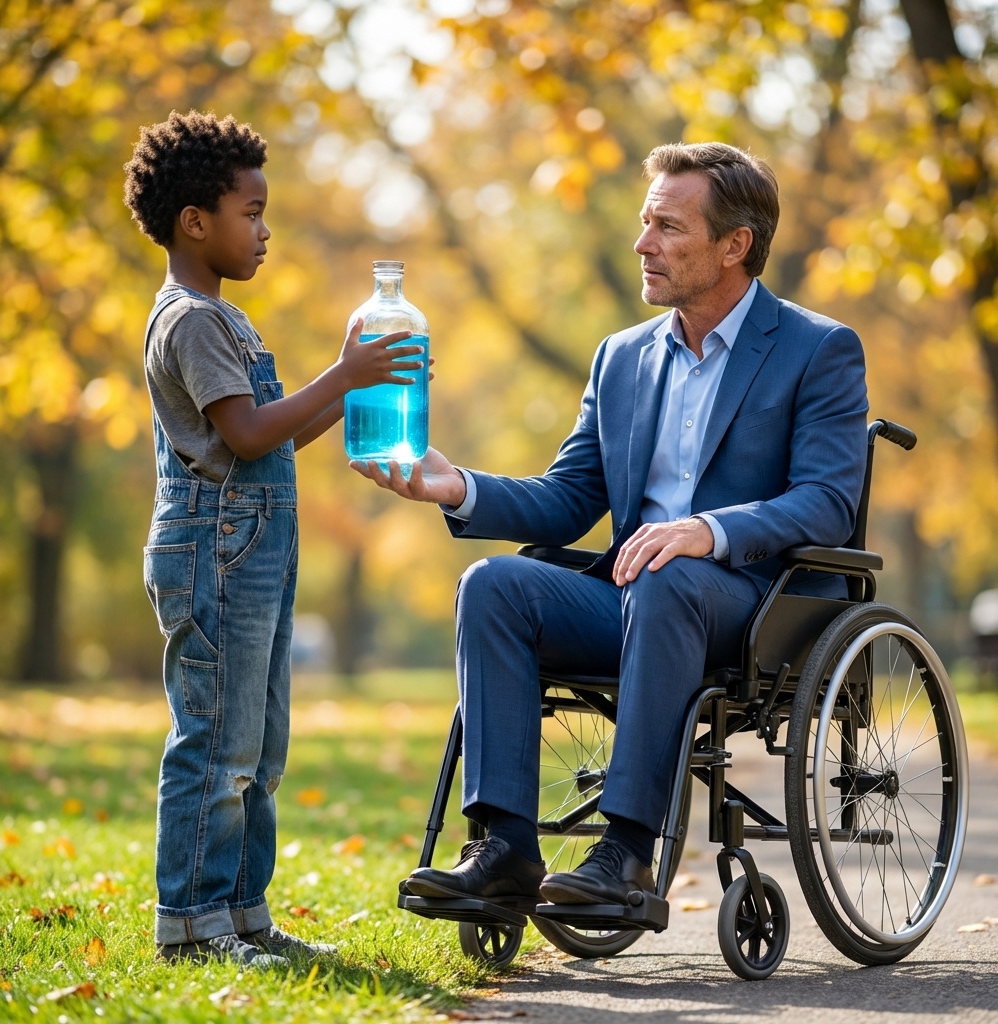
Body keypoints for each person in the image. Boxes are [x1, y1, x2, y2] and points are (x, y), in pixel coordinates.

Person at [351, 141, 868, 915]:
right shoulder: (621, 358)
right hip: (635, 599)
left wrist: (708, 530)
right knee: (494, 585)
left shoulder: (817, 349)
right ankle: (503, 850)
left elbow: (828, 499)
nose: (642, 243)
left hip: (759, 605)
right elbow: (569, 499)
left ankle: (625, 851)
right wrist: (455, 486)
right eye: (644, 221)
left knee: (667, 572)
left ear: (735, 246)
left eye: (667, 225)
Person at [123, 110, 424, 966]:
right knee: (216, 744)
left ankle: (243, 913)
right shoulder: (188, 320)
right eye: (251, 212)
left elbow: (271, 433)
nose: (263, 231)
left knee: (259, 747)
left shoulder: (226, 319)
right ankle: (192, 926)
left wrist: (362, 382)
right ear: (195, 222)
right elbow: (249, 437)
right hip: (209, 553)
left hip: (251, 553)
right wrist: (343, 372)